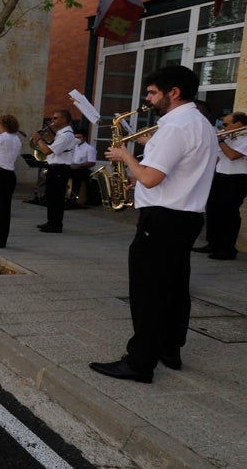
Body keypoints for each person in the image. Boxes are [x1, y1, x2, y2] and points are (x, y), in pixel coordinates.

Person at [90, 65, 219, 383]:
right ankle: (169, 349)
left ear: (173, 92)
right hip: (185, 217)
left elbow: (150, 177)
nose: (147, 99)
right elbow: (179, 174)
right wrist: (142, 177)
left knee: (148, 291)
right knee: (174, 287)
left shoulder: (175, 126)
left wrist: (126, 157)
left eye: (152, 92)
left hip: (162, 219)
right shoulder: (201, 124)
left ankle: (139, 362)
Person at [193, 112, 247, 260]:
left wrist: (221, 141)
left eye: (226, 124)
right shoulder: (230, 136)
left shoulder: (244, 138)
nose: (223, 127)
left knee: (229, 213)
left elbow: (233, 156)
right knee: (213, 210)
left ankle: (228, 249)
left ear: (239, 124)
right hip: (221, 176)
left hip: (238, 179)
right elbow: (217, 157)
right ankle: (213, 243)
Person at [31, 109, 76, 233]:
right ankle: (51, 221)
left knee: (57, 198)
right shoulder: (61, 134)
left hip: (60, 169)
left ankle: (56, 225)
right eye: (52, 118)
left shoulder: (67, 135)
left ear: (64, 120)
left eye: (55, 118)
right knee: (51, 197)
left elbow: (48, 151)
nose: (52, 120)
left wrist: (39, 139)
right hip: (54, 168)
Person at [0, 114, 22, 248]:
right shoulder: (16, 138)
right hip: (9, 175)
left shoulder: (1, 138)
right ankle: (0, 238)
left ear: (5, 125)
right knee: (4, 210)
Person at [69, 129, 97, 204]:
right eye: (75, 137)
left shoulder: (90, 148)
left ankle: (73, 198)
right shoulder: (73, 147)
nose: (77, 139)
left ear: (84, 138)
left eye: (79, 137)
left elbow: (92, 163)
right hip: (74, 168)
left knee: (76, 176)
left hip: (85, 170)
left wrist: (78, 166)